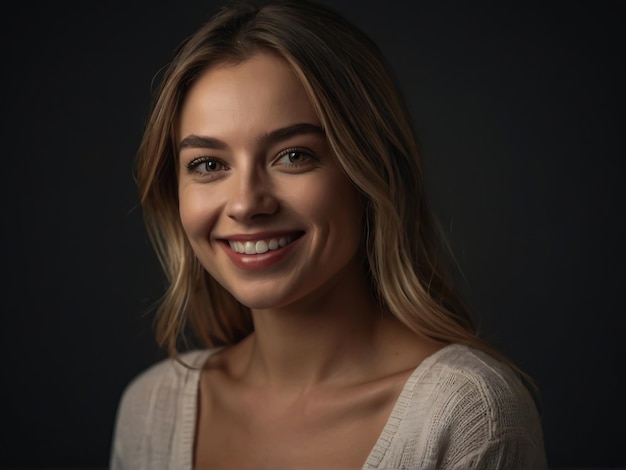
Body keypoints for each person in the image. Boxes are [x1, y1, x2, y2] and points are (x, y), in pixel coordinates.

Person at [110, 0, 548, 468]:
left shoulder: (468, 416)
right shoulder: (151, 411)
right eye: (208, 164)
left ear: (371, 170)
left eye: (293, 155)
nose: (244, 203)